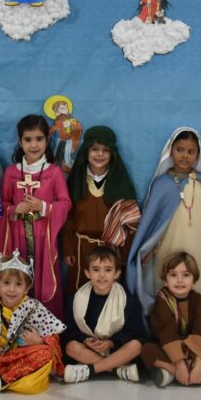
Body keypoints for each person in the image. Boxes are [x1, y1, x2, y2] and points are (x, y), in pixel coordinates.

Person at [127, 128, 201, 340]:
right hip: (167, 249)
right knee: (168, 288)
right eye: (180, 150)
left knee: (200, 290)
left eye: (191, 151)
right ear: (171, 152)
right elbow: (152, 223)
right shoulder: (161, 184)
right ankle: (167, 343)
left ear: (198, 155)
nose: (184, 156)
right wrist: (147, 246)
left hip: (199, 248)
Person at [0, 115, 71, 320]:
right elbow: (2, 204)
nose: (33, 145)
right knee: (17, 281)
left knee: (45, 282)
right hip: (18, 239)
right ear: (20, 142)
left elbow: (65, 204)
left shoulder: (54, 172)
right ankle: (14, 329)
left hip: (43, 239)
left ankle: (46, 334)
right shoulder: (12, 173)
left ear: (47, 140)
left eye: (39, 139)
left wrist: (44, 207)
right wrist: (13, 210)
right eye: (28, 139)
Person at [0, 251, 66, 395]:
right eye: (6, 283)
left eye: (18, 284)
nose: (12, 289)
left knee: (46, 353)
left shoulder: (34, 307)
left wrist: (39, 341)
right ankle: (19, 379)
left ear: (26, 288)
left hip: (23, 357)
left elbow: (54, 339)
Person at [64, 126, 140, 296]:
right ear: (86, 151)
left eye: (105, 150)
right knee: (79, 293)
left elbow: (131, 222)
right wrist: (68, 248)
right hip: (81, 248)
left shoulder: (120, 183)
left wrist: (126, 253)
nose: (100, 155)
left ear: (112, 153)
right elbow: (68, 216)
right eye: (95, 149)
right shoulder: (77, 180)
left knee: (109, 293)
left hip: (111, 250)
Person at [140, 251, 201, 389]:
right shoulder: (162, 299)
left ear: (194, 281)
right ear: (165, 280)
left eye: (186, 275)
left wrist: (198, 366)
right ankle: (179, 372)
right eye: (173, 275)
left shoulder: (198, 299)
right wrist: (179, 365)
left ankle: (188, 374)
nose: (180, 280)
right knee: (147, 350)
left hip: (193, 349)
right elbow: (166, 331)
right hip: (170, 349)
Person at [61, 246, 145, 384]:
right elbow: (69, 330)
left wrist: (112, 342)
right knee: (71, 347)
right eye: (95, 270)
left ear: (117, 273)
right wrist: (85, 340)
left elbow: (135, 330)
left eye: (108, 270)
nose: (102, 275)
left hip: (115, 349)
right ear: (87, 273)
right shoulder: (76, 298)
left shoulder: (126, 299)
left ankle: (90, 370)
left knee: (136, 346)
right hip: (89, 349)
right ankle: (117, 369)